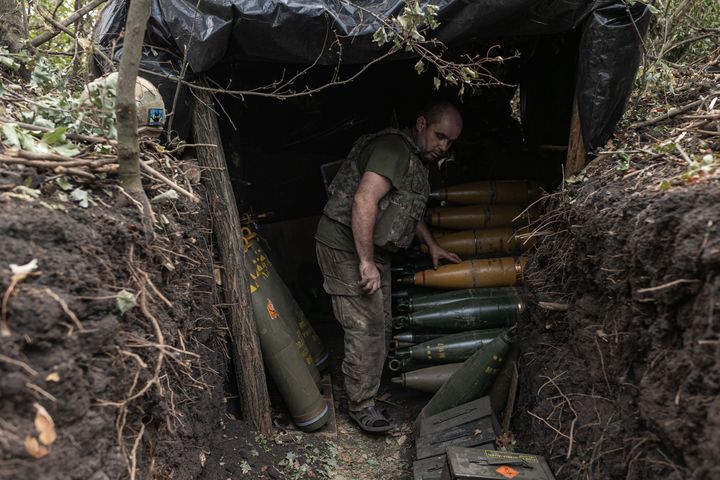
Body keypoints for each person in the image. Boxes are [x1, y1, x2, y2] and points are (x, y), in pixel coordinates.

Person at [315, 101, 463, 433]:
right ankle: (361, 405)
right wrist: (365, 262)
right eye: (440, 136)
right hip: (345, 246)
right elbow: (364, 200)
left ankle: (365, 388)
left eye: (450, 142)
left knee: (381, 324)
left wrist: (432, 244)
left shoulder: (415, 158)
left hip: (371, 250)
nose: (443, 147)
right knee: (365, 327)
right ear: (422, 123)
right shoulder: (393, 149)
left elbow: (406, 206)